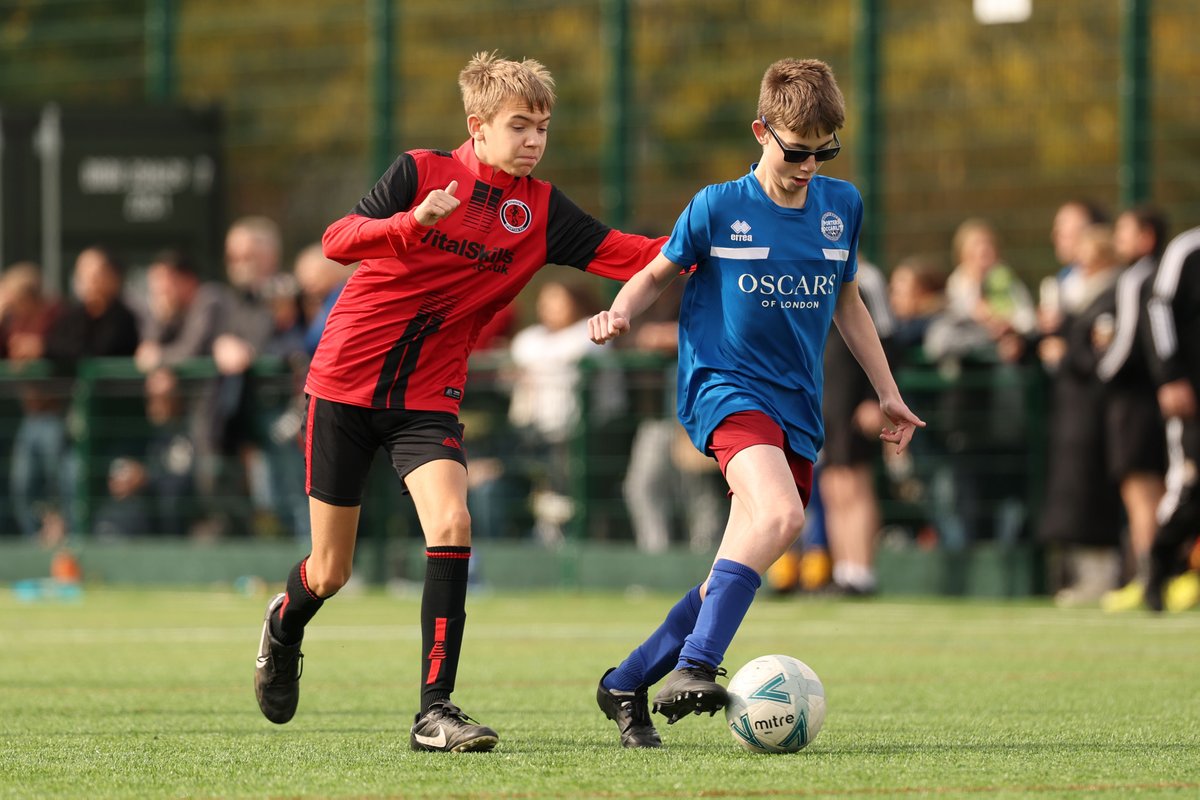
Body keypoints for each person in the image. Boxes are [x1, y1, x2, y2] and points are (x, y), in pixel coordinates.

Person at [252, 52, 668, 752]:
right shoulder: (420, 171)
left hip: (427, 401)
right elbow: (336, 241)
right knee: (330, 571)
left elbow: (633, 253)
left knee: (452, 523)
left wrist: (718, 239)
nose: (535, 140)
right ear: (477, 128)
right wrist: (411, 223)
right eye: (519, 126)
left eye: (543, 126)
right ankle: (285, 625)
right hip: (344, 387)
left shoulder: (540, 210)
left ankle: (433, 713)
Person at [588, 58, 923, 748]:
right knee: (781, 513)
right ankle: (696, 665)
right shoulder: (717, 206)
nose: (808, 165)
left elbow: (849, 302)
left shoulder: (843, 207)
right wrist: (619, 313)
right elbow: (655, 273)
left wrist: (888, 392)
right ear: (761, 131)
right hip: (724, 386)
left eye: (823, 151)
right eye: (796, 150)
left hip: (796, 404)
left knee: (740, 562)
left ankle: (626, 682)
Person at [1036, 224, 1124, 606]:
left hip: (1095, 409)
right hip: (1072, 409)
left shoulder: (1112, 293)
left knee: (1091, 491)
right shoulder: (1080, 293)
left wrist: (1065, 355)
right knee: (1072, 491)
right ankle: (1080, 576)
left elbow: (1101, 355)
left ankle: (1101, 578)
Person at [1095, 206, 1169, 611]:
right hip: (1159, 398)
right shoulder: (1170, 273)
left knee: (1141, 494)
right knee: (1159, 490)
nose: (1117, 239)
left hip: (1133, 401)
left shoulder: (1137, 278)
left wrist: (1100, 370)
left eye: (1124, 231)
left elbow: (1122, 345)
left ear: (1147, 237)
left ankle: (1150, 578)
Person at [818, 258, 894, 595]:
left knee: (855, 480)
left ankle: (862, 572)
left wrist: (872, 396)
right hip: (825, 394)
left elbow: (885, 337)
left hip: (853, 393)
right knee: (833, 482)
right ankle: (844, 569)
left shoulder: (869, 276)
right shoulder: (809, 267)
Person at [1144, 225, 1200, 613]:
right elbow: (1159, 307)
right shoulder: (1188, 249)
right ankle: (1158, 567)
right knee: (1190, 486)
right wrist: (1170, 375)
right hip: (1194, 400)